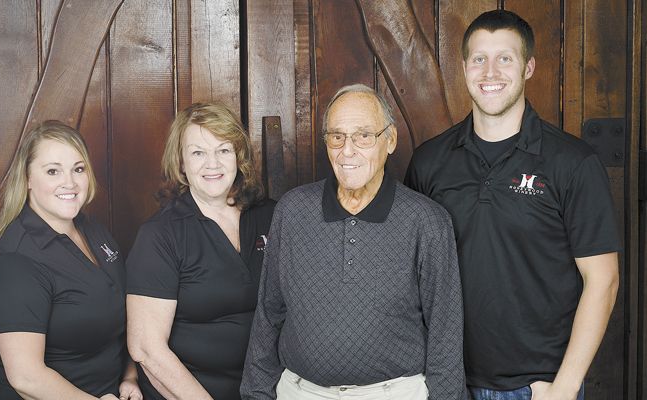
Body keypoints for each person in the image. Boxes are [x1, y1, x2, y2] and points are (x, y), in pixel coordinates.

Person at [405, 10, 620, 400]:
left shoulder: (572, 163)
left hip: (538, 386)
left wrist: (565, 387)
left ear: (528, 67)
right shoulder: (429, 162)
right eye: (479, 59)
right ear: (465, 67)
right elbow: (412, 274)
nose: (490, 72)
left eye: (505, 58)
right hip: (448, 381)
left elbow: (602, 280)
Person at [241, 84, 466, 400]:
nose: (347, 151)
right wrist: (256, 393)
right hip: (300, 393)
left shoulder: (426, 220)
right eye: (337, 136)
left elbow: (446, 330)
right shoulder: (292, 210)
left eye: (363, 136)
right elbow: (269, 313)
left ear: (390, 140)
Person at [0, 121, 141, 400]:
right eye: (53, 171)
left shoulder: (92, 229)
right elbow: (26, 379)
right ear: (26, 178)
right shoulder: (19, 258)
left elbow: (121, 312)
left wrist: (130, 376)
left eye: (78, 169)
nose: (70, 183)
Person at [126, 102, 275, 400]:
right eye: (198, 153)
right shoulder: (161, 235)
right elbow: (146, 348)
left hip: (267, 390)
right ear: (181, 162)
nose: (213, 164)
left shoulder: (272, 216)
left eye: (223, 150)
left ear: (238, 156)